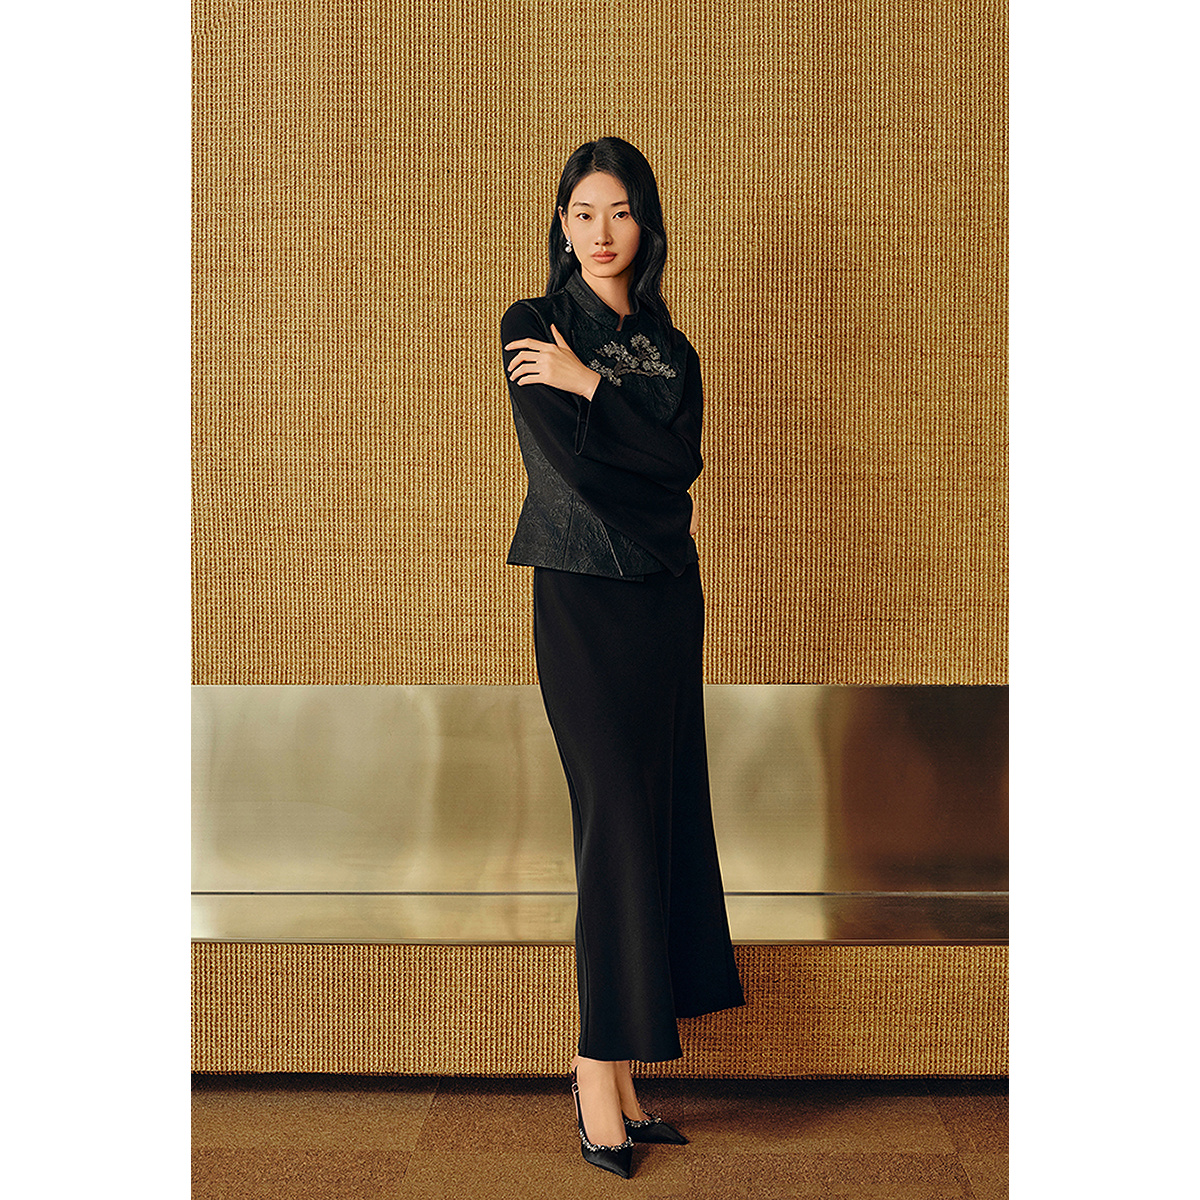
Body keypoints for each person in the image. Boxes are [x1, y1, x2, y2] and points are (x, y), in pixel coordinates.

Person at [501, 137, 745, 1180]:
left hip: (666, 605)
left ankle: (624, 1077)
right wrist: (600, 404)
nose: (602, 232)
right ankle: (595, 1068)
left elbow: (678, 465)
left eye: (621, 212)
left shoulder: (669, 346)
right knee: (612, 822)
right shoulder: (531, 325)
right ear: (562, 225)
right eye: (584, 212)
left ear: (646, 224)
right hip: (583, 603)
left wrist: (592, 387)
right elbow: (581, 473)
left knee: (657, 816)